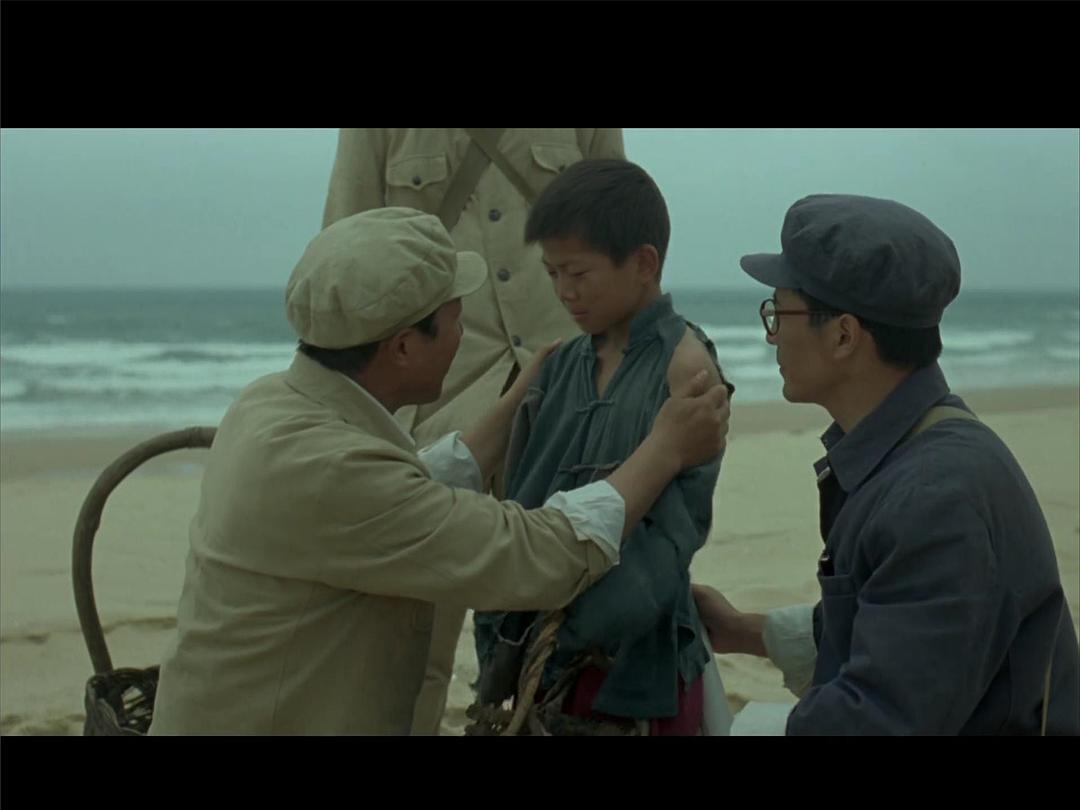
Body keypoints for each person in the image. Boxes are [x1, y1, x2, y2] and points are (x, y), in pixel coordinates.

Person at [149, 207, 730, 735]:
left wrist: (514, 405)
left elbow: (406, 490)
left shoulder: (270, 404)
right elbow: (534, 554)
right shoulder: (336, 473)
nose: (463, 335)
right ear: (404, 347)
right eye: (457, 320)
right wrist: (665, 449)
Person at [692, 193, 1080, 735]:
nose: (772, 334)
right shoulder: (913, 445)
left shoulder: (936, 497)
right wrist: (742, 631)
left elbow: (879, 716)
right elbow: (893, 620)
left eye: (779, 312)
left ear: (844, 335)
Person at [322, 127, 626, 733]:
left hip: (569, 403)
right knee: (411, 650)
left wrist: (629, 381)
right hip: (431, 409)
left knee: (579, 638)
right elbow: (342, 260)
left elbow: (620, 237)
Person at [472, 159, 736, 736]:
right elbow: (517, 501)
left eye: (578, 272)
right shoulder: (557, 366)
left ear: (643, 263)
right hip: (534, 657)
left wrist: (570, 628)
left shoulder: (686, 368)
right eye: (552, 273)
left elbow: (673, 533)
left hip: (633, 667)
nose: (563, 291)